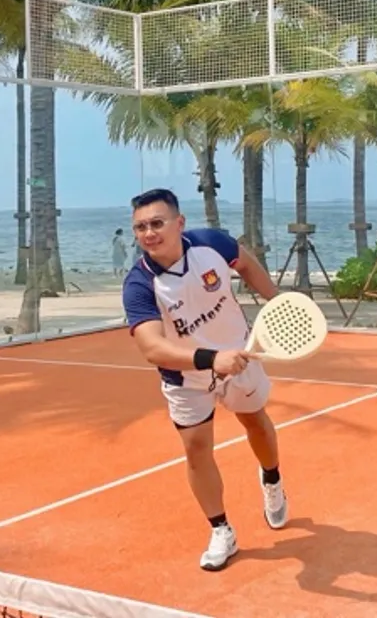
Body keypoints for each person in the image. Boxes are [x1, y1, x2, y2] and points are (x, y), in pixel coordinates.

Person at [121, 188, 288, 572]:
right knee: (196, 449)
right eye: (140, 227)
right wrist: (212, 360)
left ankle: (272, 479)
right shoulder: (139, 285)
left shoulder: (211, 244)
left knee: (255, 423)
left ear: (179, 223)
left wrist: (277, 301)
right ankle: (221, 530)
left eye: (157, 223)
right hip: (186, 376)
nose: (149, 233)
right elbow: (153, 348)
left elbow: (246, 264)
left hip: (241, 356)